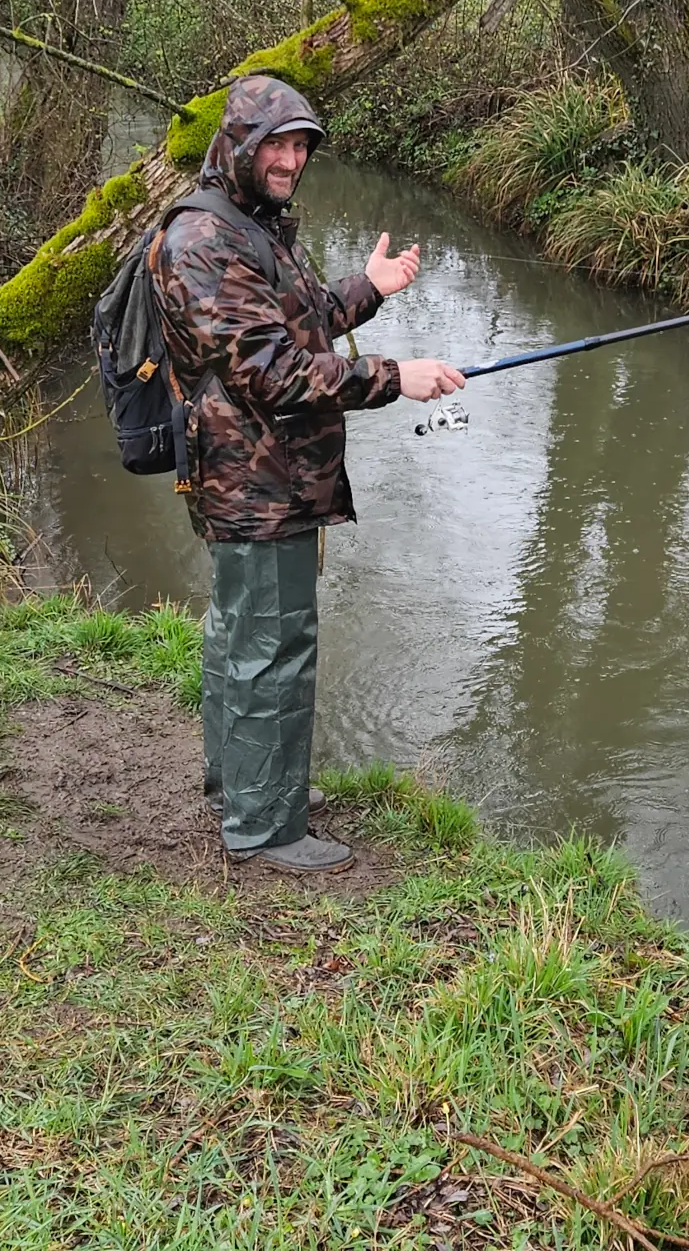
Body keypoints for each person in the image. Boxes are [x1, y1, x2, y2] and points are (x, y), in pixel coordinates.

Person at [148, 74, 464, 874]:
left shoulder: (253, 224)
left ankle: (246, 782)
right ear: (240, 146)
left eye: (300, 146)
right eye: (277, 145)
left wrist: (367, 291)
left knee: (244, 632)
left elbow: (295, 321)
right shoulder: (204, 241)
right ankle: (263, 825)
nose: (291, 159)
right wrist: (398, 377)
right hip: (253, 479)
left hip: (265, 471)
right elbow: (273, 372)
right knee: (271, 643)